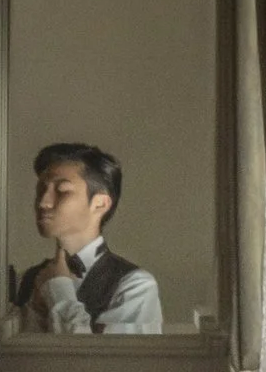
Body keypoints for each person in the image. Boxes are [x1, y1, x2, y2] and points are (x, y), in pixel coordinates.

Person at [10, 142, 164, 335]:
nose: (43, 203)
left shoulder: (135, 286)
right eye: (41, 190)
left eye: (62, 191)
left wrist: (59, 291)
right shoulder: (27, 280)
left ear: (100, 204)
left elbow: (101, 355)